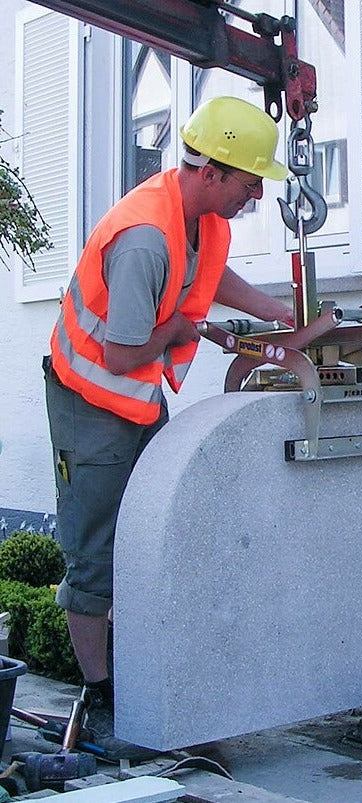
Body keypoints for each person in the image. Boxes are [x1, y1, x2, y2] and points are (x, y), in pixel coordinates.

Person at [43, 96, 292, 759]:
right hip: (89, 400)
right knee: (96, 559)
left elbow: (211, 276)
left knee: (155, 532)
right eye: (248, 182)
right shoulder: (144, 238)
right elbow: (123, 352)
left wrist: (277, 310)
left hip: (133, 398)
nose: (255, 195)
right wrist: (182, 329)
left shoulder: (198, 220)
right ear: (210, 170)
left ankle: (147, 679)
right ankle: (101, 696)